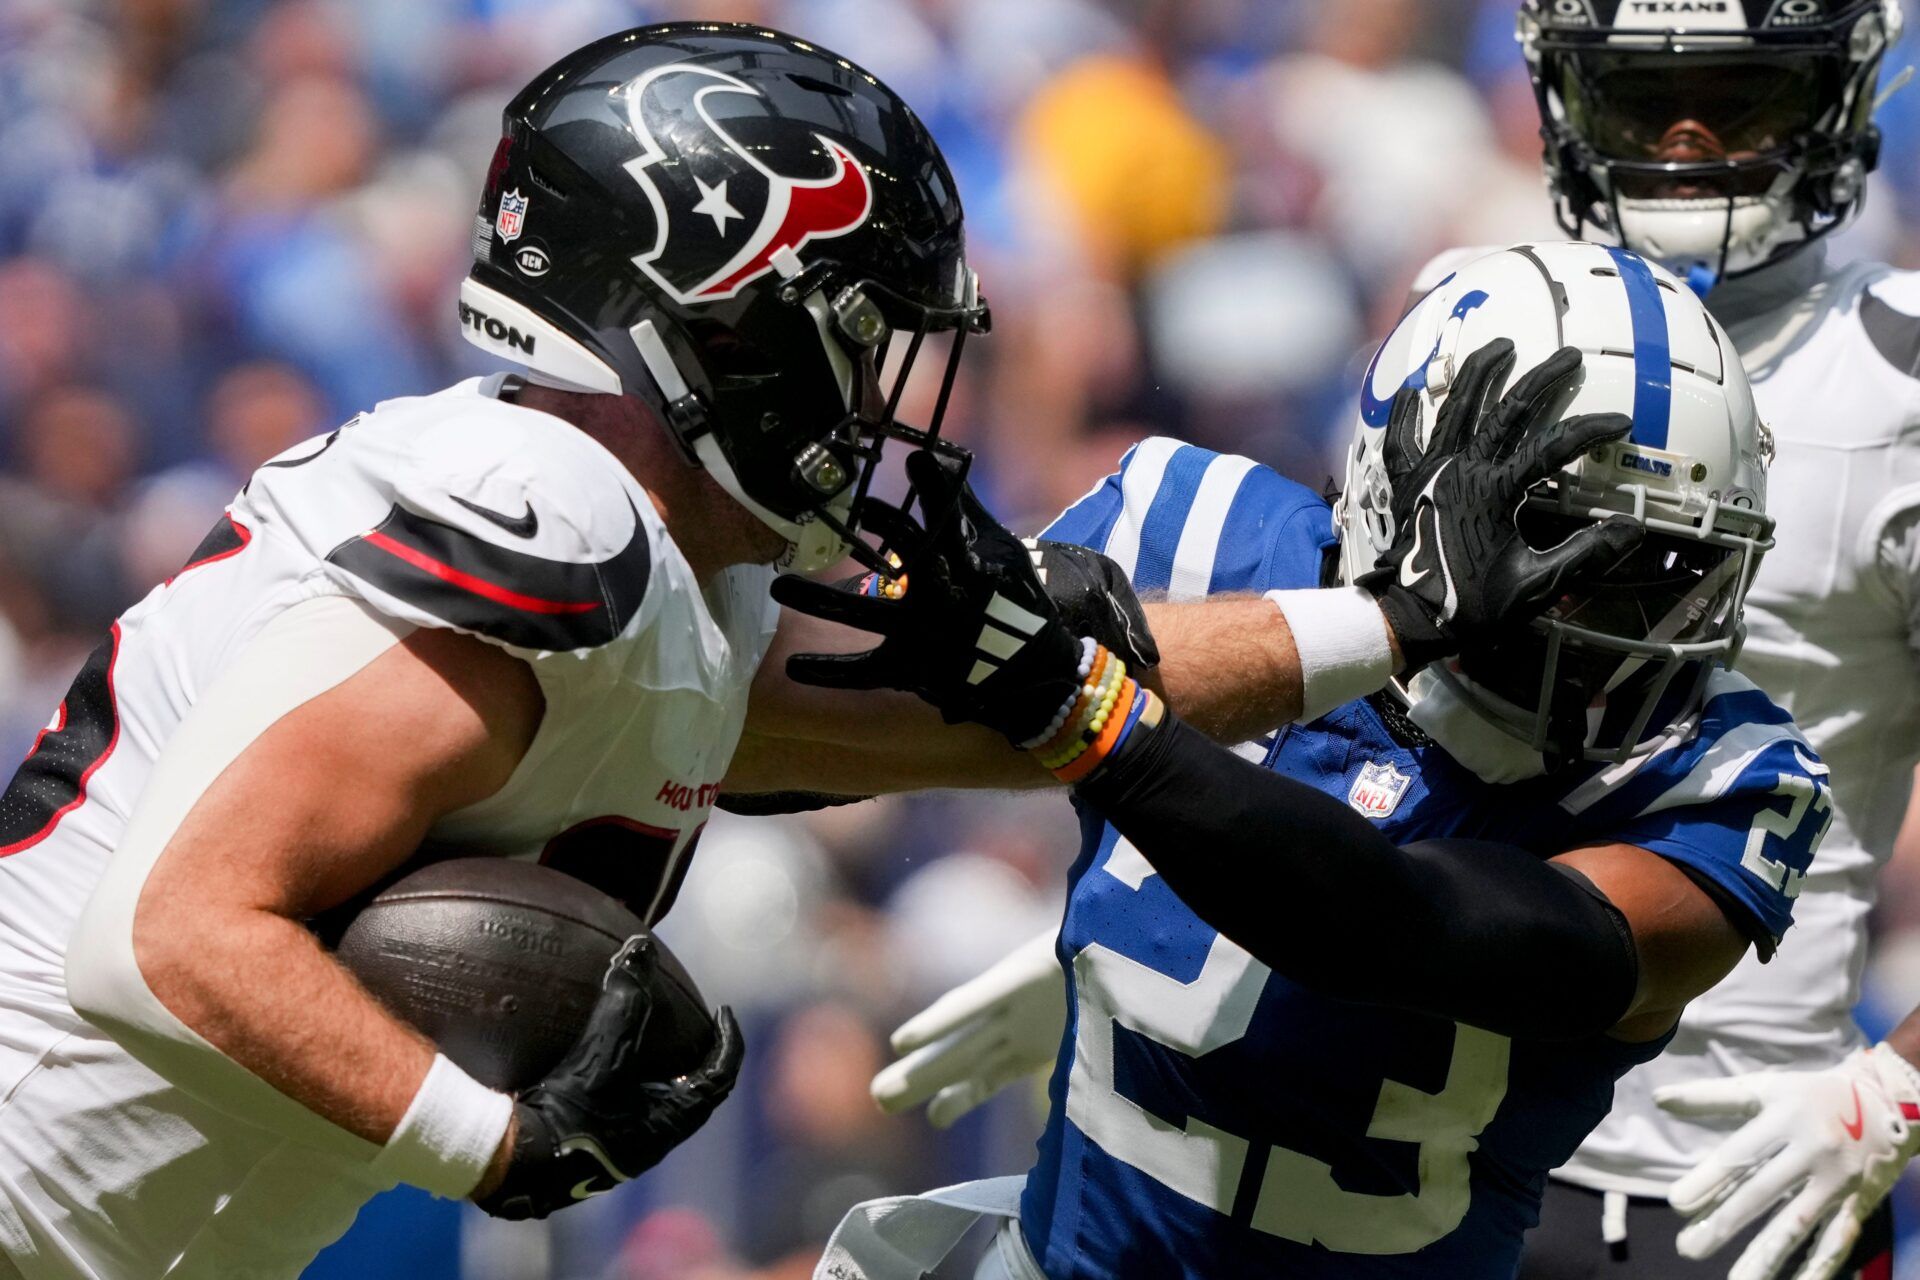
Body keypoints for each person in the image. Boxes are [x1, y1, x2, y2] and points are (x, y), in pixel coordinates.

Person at [0, 23, 996, 1278]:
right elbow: (168, 935)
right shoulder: (553, 511)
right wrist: (505, 1146)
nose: (868, 407)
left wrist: (1159, 691)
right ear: (724, 328)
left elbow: (889, 715)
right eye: (850, 341)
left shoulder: (668, 565)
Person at [748, 241, 1824, 1279]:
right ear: (1402, 486)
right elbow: (789, 736)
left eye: (1662, 564)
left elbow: (1401, 928)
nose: (1599, 607)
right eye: (1544, 534)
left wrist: (1084, 705)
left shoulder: (1722, 776)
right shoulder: (1203, 530)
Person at [1431, 4, 1920, 1276]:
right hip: (1413, 1145)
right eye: (1644, 106)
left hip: (1738, 1187)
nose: (1689, 145)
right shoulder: (1474, 320)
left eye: (1743, 99)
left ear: (1836, 99)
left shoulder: (1899, 388)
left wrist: (1903, 1087)